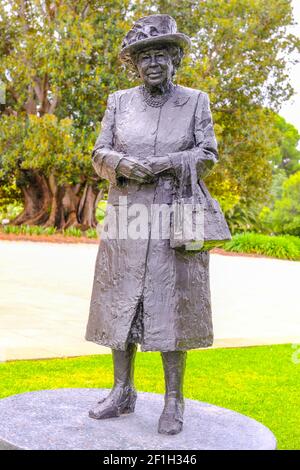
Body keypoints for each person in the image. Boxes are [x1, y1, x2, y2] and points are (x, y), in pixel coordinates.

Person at [85, 14, 219, 435]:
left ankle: (174, 400)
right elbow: (99, 152)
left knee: (171, 306)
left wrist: (168, 164)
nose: (153, 63)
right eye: (145, 57)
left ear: (175, 59)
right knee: (120, 302)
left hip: (174, 217)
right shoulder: (118, 102)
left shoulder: (195, 101)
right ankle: (122, 390)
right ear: (135, 65)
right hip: (126, 216)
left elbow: (208, 154)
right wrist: (121, 163)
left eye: (162, 54)